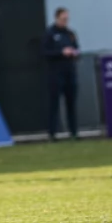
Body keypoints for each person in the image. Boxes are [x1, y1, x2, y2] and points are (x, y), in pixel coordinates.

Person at [42, 8, 80, 141]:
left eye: (67, 19)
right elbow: (45, 53)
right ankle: (52, 133)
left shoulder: (70, 34)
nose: (65, 21)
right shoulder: (50, 33)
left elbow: (77, 48)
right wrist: (61, 52)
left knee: (71, 104)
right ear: (57, 18)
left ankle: (74, 132)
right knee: (54, 105)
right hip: (56, 75)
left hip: (70, 73)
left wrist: (74, 53)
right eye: (63, 19)